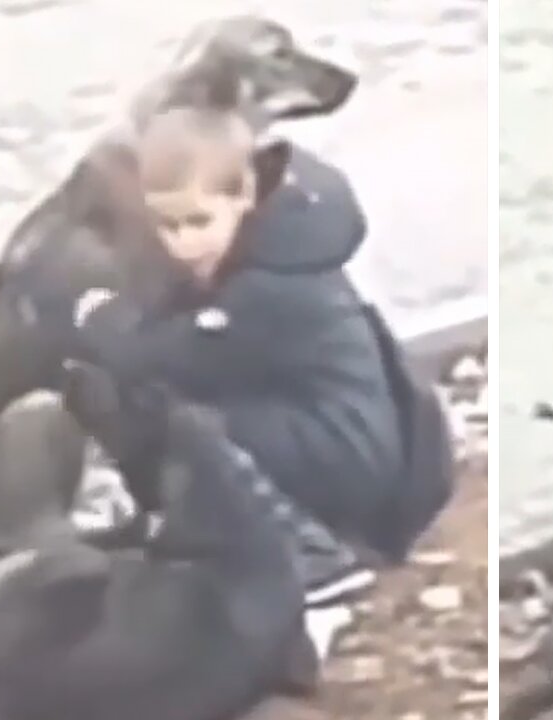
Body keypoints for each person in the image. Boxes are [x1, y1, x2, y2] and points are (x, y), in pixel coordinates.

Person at [32, 110, 455, 606]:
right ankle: (187, 518)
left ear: (244, 196)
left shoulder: (266, 287)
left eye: (198, 222)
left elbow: (168, 356)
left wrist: (97, 316)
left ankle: (316, 557)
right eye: (167, 226)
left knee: (180, 418)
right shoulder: (273, 247)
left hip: (348, 453)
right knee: (170, 403)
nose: (184, 242)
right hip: (330, 432)